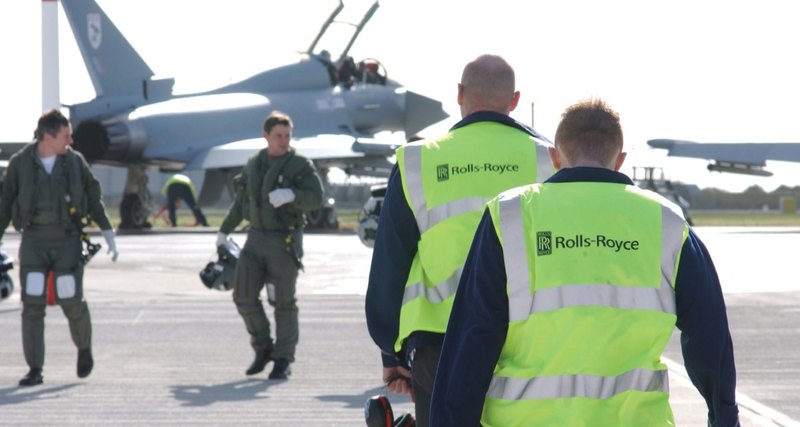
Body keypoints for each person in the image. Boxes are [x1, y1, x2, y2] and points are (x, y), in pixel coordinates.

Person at [430, 98, 739, 426]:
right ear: (619, 160)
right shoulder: (668, 223)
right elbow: (711, 336)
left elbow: (473, 337)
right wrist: (723, 416)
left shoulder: (510, 217)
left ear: (554, 156)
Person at [365, 54, 550, 426]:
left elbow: (390, 266)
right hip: (529, 340)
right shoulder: (550, 159)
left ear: (459, 94)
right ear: (514, 101)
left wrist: (393, 352)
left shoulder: (416, 163)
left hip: (441, 346)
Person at [0, 109, 119, 387]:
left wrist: (108, 230)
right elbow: (5, 201)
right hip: (33, 241)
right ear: (48, 136)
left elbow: (93, 195)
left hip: (67, 240)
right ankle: (35, 369)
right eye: (66, 135)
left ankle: (83, 347)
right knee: (32, 306)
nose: (71, 140)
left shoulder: (75, 163)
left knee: (71, 300)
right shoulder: (20, 164)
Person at [216, 110, 323, 380]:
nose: (284, 141)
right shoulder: (254, 165)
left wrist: (293, 195)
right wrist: (223, 231)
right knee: (243, 296)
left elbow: (316, 197)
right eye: (279, 136)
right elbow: (242, 204)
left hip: (284, 241)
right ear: (266, 135)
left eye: (287, 135)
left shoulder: (300, 165)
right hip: (255, 239)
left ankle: (283, 359)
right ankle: (263, 348)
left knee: (283, 303)